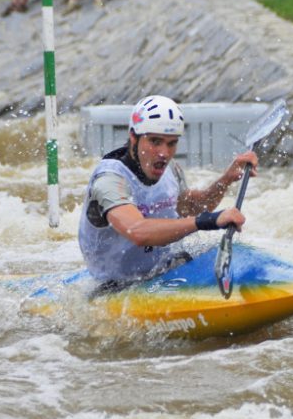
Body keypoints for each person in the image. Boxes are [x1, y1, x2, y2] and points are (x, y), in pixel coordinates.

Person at [78, 95, 258, 285]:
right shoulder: (109, 180)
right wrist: (210, 220)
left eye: (171, 143)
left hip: (162, 273)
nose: (164, 153)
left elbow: (190, 208)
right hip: (115, 287)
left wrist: (226, 179)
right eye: (155, 141)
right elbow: (137, 231)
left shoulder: (170, 170)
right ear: (134, 137)